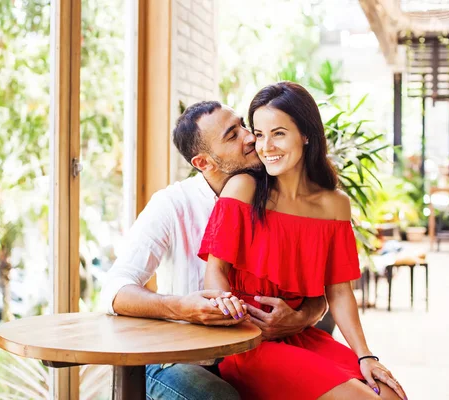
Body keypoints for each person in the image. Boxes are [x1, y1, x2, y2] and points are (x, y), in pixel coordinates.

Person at [100, 100, 328, 400]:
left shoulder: (275, 194)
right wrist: (181, 307)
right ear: (204, 163)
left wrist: (300, 319)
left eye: (243, 126)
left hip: (254, 353)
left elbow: (319, 296)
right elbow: (114, 290)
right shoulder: (172, 204)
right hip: (177, 360)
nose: (250, 137)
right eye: (232, 135)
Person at [200, 81, 408, 400]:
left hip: (300, 337)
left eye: (279, 133)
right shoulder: (243, 187)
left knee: (391, 396)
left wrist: (366, 355)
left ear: (306, 135)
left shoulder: (334, 205)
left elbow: (339, 292)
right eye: (259, 133)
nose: (266, 146)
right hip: (248, 344)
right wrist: (224, 307)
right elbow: (216, 271)